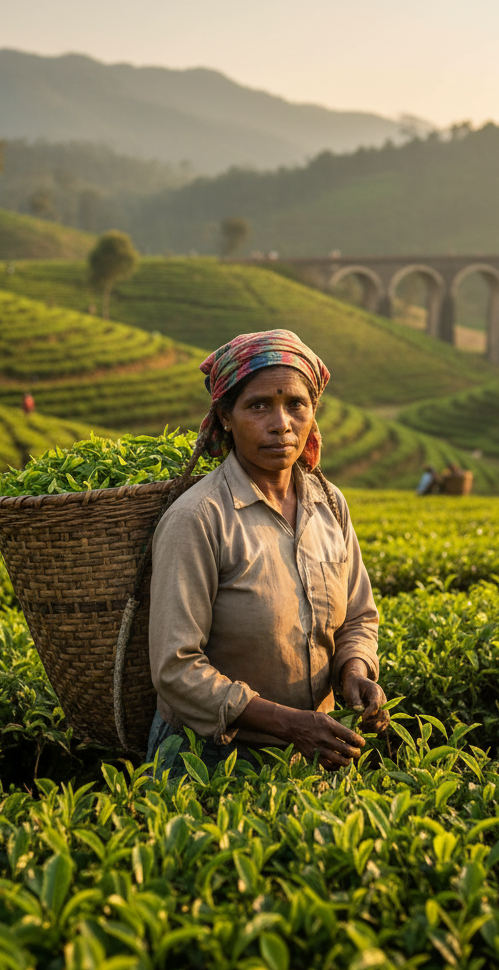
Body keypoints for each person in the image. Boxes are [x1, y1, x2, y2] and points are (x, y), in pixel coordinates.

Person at [146, 329, 390, 775]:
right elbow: (175, 668)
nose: (281, 423)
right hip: (209, 761)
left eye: (296, 404)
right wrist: (287, 723)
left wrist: (355, 671)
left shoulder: (329, 503)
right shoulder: (198, 518)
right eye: (258, 406)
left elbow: (358, 617)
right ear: (225, 416)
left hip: (315, 752)